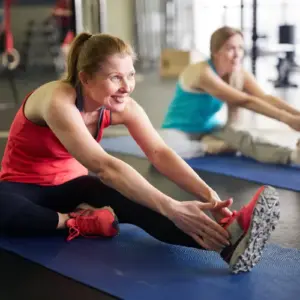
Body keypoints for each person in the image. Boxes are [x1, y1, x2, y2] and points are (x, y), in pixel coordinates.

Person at [0, 32, 279, 274]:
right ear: (85, 78)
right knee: (5, 209)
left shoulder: (123, 106)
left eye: (130, 75)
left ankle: (228, 242)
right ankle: (77, 222)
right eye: (115, 77)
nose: (127, 86)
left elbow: (160, 152)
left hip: (75, 187)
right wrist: (171, 205)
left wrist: (210, 197)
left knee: (143, 201)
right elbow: (104, 166)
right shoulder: (57, 99)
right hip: (24, 188)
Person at [162, 26, 300, 163]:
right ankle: (206, 147)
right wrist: (287, 119)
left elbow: (265, 98)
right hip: (180, 130)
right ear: (215, 51)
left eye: (240, 48)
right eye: (230, 48)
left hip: (209, 127)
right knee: (163, 151)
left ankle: (292, 156)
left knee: (243, 139)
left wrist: (296, 115)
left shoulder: (238, 73)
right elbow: (245, 101)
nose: (237, 54)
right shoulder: (202, 73)